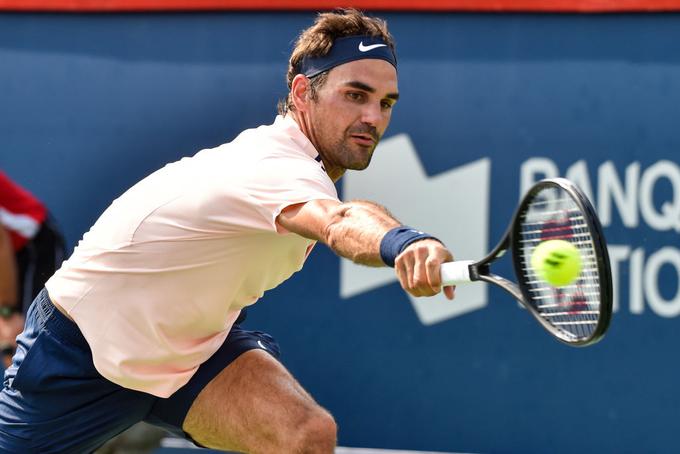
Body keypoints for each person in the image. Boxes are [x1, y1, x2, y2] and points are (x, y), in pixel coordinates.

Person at [0, 9, 456, 453]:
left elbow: (344, 212)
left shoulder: (300, 168)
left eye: (385, 103)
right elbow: (338, 220)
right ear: (302, 93)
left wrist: (403, 238)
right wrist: (403, 242)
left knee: (304, 436)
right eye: (356, 95)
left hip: (189, 350)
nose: (373, 117)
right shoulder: (276, 166)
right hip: (81, 347)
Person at [0, 170, 65, 367]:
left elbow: (1, 244)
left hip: (33, 246)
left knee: (26, 340)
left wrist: (6, 311)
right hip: (8, 253)